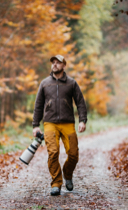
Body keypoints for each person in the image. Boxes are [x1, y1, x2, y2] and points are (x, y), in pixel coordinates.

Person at [32, 55, 87, 196]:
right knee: (53, 153)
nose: (55, 65)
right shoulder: (44, 83)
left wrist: (82, 120)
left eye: (58, 63)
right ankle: (56, 183)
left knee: (73, 154)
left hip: (68, 123)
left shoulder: (72, 83)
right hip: (50, 123)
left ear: (64, 65)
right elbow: (38, 105)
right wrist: (35, 125)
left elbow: (80, 102)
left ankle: (67, 175)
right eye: (53, 63)